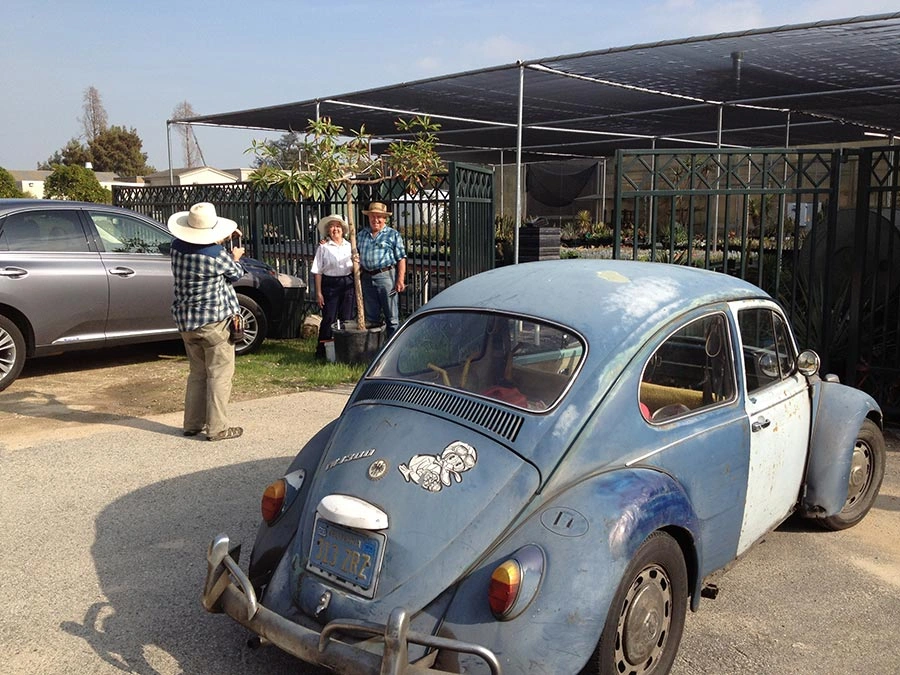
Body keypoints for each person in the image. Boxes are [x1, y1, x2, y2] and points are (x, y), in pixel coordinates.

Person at [167, 202, 245, 441]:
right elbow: (237, 274)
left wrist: (221, 240)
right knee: (220, 374)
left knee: (197, 373)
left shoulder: (176, 248)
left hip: (187, 321)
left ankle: (192, 424)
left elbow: (200, 246)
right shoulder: (217, 256)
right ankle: (218, 427)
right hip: (214, 322)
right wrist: (236, 256)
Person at [356, 201, 406, 338]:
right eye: (372, 216)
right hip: (366, 277)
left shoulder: (392, 235)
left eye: (379, 216)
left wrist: (400, 280)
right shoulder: (361, 235)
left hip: (386, 277)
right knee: (371, 317)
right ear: (368, 217)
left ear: (385, 219)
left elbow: (401, 258)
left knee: (392, 318)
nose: (375, 220)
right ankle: (375, 348)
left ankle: (392, 349)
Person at [310, 214, 355, 359]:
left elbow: (355, 268)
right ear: (328, 230)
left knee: (346, 318)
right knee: (329, 318)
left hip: (348, 283)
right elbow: (317, 271)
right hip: (330, 285)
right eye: (332, 226)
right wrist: (318, 292)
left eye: (337, 226)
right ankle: (323, 351)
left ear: (343, 229)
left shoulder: (350, 246)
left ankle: (344, 351)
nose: (335, 229)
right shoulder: (323, 247)